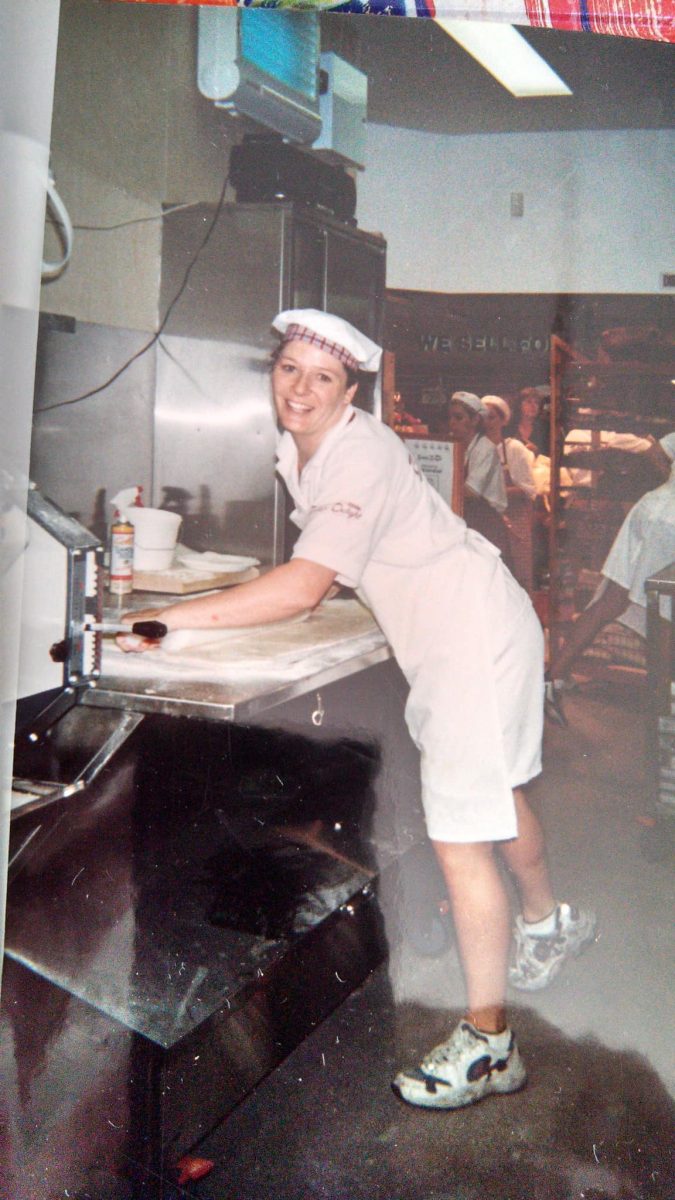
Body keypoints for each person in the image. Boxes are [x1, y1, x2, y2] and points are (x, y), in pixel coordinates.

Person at [119, 310, 596, 1111]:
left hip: (468, 637)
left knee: (457, 837)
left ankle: (489, 1046)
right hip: (468, 621)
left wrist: (167, 621)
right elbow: (337, 562)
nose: (300, 389)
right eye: (289, 369)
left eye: (323, 378)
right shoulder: (303, 446)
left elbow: (306, 585)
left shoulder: (359, 451)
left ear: (351, 392)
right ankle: (547, 922)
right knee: (495, 787)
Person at [546, 432, 675, 726]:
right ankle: (665, 713)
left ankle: (552, 678)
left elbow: (655, 452)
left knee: (611, 602)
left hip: (653, 506)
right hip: (670, 522)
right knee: (666, 608)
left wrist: (670, 482)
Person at [447, 391, 513, 567]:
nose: (452, 423)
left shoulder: (485, 449)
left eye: (458, 418)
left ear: (475, 420)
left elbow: (471, 492)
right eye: (451, 417)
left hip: (486, 525)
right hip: (466, 521)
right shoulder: (456, 447)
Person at [483, 395, 537, 595]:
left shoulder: (514, 449)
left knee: (516, 581)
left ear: (503, 420)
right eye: (482, 417)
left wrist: (491, 493)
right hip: (484, 525)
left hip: (512, 526)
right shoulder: (472, 449)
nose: (486, 423)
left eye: (491, 417)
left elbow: (529, 490)